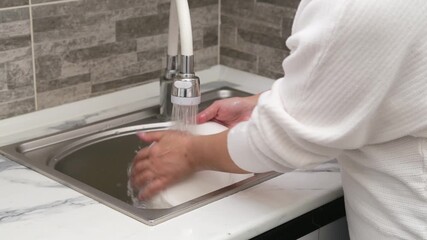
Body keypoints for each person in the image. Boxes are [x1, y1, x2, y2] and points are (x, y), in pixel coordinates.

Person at [131, 0, 427, 239]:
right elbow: (385, 83)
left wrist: (188, 153)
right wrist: (264, 103)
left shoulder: (355, 7)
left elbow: (286, 141)